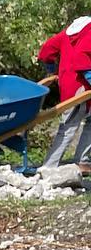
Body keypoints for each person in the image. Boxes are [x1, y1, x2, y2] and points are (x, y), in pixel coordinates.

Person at [37, 15, 91, 173]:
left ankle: (83, 161)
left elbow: (46, 50)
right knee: (69, 125)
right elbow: (82, 58)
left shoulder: (68, 32)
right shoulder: (89, 32)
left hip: (69, 83)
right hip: (80, 84)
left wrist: (51, 70)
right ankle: (49, 166)